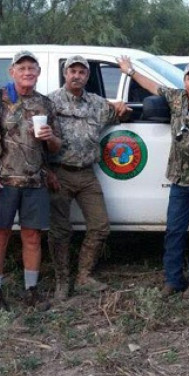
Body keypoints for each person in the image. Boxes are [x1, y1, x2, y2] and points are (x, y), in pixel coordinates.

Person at [117, 56, 189, 298]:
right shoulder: (177, 98)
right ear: (185, 81)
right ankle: (173, 280)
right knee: (174, 231)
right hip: (178, 180)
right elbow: (152, 86)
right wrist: (130, 71)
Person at [0, 50, 61, 312]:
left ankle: (31, 290)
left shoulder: (45, 104)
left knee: (32, 237)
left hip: (35, 181)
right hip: (2, 180)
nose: (27, 72)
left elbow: (56, 146)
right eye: (21, 68)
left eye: (31, 68)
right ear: (12, 72)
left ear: (38, 73)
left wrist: (49, 138)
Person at [47, 55, 130, 300]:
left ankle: (83, 276)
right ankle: (62, 281)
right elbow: (39, 139)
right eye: (72, 70)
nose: (77, 75)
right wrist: (47, 171)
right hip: (58, 173)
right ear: (65, 73)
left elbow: (118, 115)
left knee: (100, 225)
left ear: (87, 76)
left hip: (86, 174)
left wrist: (123, 111)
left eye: (82, 72)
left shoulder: (96, 102)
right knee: (60, 231)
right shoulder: (50, 102)